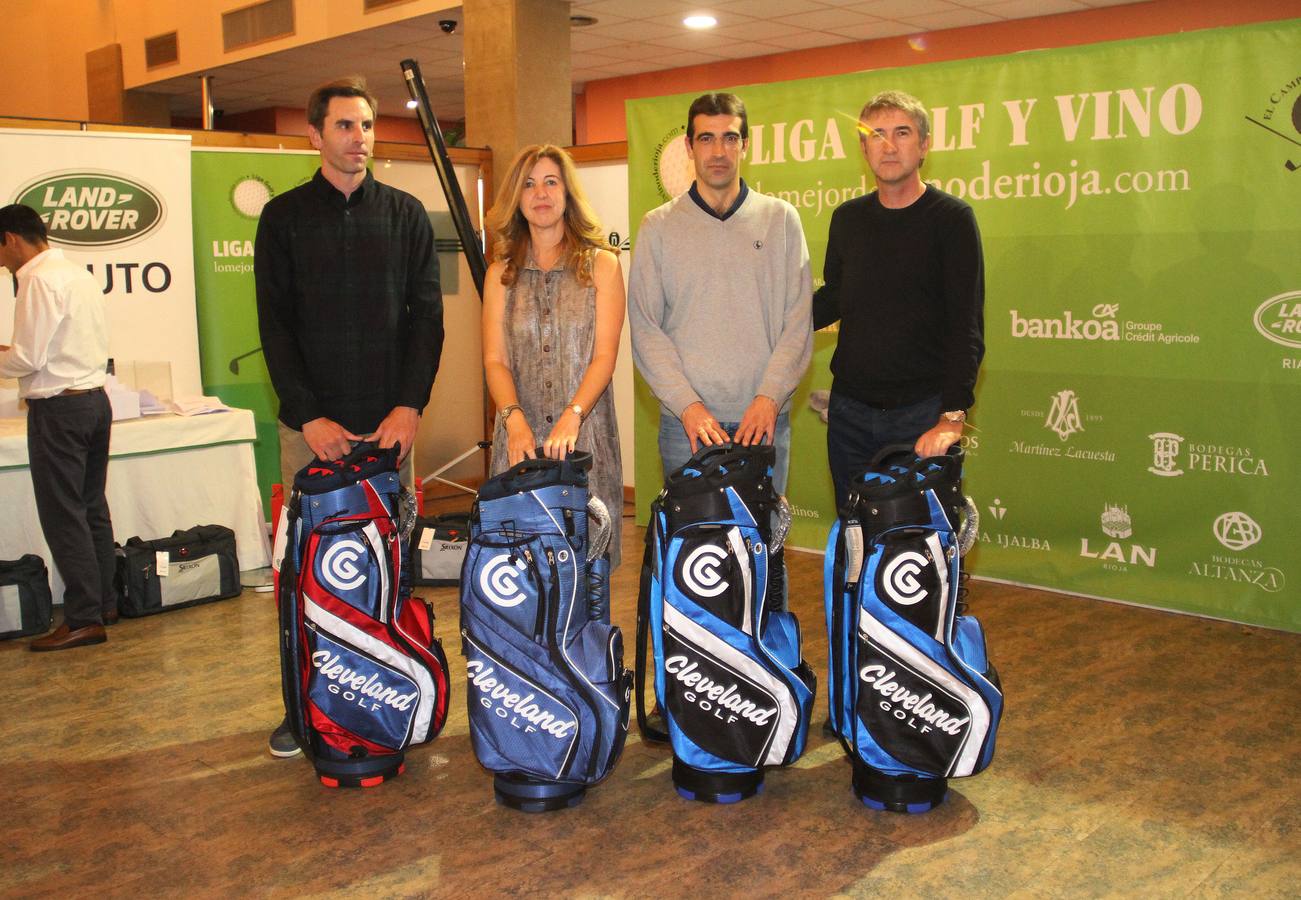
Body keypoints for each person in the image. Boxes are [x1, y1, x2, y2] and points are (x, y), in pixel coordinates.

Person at [255, 76, 444, 758]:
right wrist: (307, 418)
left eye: (366, 125)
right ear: (314, 134)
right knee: (307, 573)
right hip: (312, 432)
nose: (358, 138)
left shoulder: (406, 215)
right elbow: (274, 327)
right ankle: (302, 707)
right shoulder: (282, 219)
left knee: (390, 569)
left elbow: (427, 319)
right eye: (344, 126)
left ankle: (393, 690)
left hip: (389, 429)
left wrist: (409, 406)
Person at [628, 92, 812, 496]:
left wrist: (769, 398)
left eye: (730, 138)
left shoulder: (781, 219)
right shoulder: (658, 227)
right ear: (689, 148)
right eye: (706, 138)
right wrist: (688, 406)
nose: (718, 151)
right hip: (687, 429)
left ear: (745, 144)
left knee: (761, 549)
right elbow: (646, 328)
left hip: (762, 421)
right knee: (692, 551)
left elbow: (798, 322)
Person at [813, 90, 985, 512]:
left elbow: (967, 326)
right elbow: (834, 298)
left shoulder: (952, 220)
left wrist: (951, 419)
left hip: (921, 415)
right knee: (854, 537)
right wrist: (768, 320)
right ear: (863, 147)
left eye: (902, 133)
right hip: (849, 413)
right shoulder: (847, 219)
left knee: (913, 544)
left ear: (924, 145)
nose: (888, 145)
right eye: (876, 134)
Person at [481, 145, 626, 567]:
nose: (540, 193)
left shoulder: (602, 266)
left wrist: (573, 414)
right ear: (516, 198)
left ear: (567, 194)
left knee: (587, 576)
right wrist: (514, 419)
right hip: (519, 443)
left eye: (550, 182)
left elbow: (605, 356)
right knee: (519, 576)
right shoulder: (500, 274)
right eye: (529, 184)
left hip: (585, 441)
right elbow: (495, 360)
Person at [0, 204, 116, 651]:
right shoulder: (75, 272)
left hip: (60, 411)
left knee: (63, 513)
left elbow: (27, 358)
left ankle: (84, 618)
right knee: (90, 508)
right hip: (93, 402)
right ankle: (103, 603)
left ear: (11, 238)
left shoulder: (35, 278)